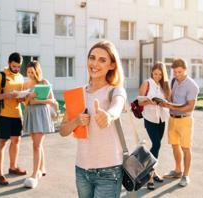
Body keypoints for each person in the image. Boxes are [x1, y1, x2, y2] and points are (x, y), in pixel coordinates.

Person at [60, 40, 126, 198]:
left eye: (102, 60)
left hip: (109, 171)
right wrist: (76, 121)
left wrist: (109, 115)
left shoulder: (115, 90)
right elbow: (63, 130)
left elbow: (117, 106)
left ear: (111, 65)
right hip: (82, 170)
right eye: (92, 57)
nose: (95, 63)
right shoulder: (77, 94)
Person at [0, 52, 27, 185]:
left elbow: (20, 98)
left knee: (16, 141)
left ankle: (13, 167)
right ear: (9, 63)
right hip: (4, 115)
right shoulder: (0, 76)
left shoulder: (21, 77)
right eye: (14, 66)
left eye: (18, 66)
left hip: (17, 114)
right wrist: (6, 95)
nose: (16, 69)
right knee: (2, 143)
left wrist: (23, 97)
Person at [161, 58, 199, 187]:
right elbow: (171, 98)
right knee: (175, 146)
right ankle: (177, 170)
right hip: (172, 119)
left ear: (185, 70)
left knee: (186, 148)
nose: (177, 75)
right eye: (175, 72)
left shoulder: (192, 85)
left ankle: (186, 175)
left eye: (179, 72)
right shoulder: (174, 81)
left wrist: (172, 106)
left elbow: (190, 107)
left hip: (185, 120)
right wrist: (164, 100)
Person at [22, 61, 57, 188]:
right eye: (28, 72)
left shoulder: (44, 82)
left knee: (36, 146)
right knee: (38, 144)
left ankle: (35, 174)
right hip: (31, 114)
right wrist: (28, 97)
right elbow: (25, 103)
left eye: (33, 72)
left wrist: (36, 100)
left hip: (41, 115)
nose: (30, 74)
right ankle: (42, 168)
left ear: (37, 71)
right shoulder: (25, 84)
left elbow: (52, 100)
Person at [138, 62, 171, 190]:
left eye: (160, 74)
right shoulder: (147, 83)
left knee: (156, 147)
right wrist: (149, 102)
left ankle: (153, 171)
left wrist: (164, 103)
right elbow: (139, 101)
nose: (157, 76)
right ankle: (149, 177)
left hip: (162, 119)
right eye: (155, 73)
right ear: (152, 72)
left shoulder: (163, 85)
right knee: (156, 144)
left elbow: (167, 101)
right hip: (150, 118)